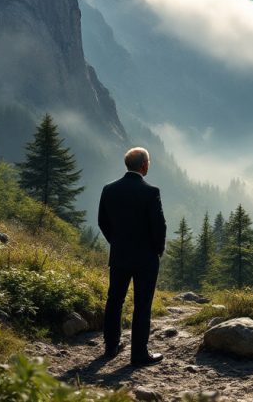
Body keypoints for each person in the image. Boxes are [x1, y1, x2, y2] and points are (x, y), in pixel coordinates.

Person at [97, 147, 167, 366]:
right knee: (142, 305)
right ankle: (139, 354)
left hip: (119, 255)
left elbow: (102, 221)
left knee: (114, 300)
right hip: (146, 258)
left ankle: (110, 348)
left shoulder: (109, 189)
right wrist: (157, 249)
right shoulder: (151, 192)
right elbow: (159, 226)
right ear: (144, 165)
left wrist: (116, 242)